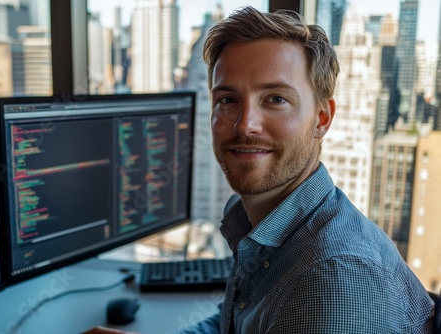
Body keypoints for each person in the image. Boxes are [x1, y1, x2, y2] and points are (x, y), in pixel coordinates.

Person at [85, 6, 435, 333]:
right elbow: (234, 324)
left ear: (322, 118)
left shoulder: (330, 284)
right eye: (228, 100)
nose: (245, 124)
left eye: (276, 99)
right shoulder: (259, 218)